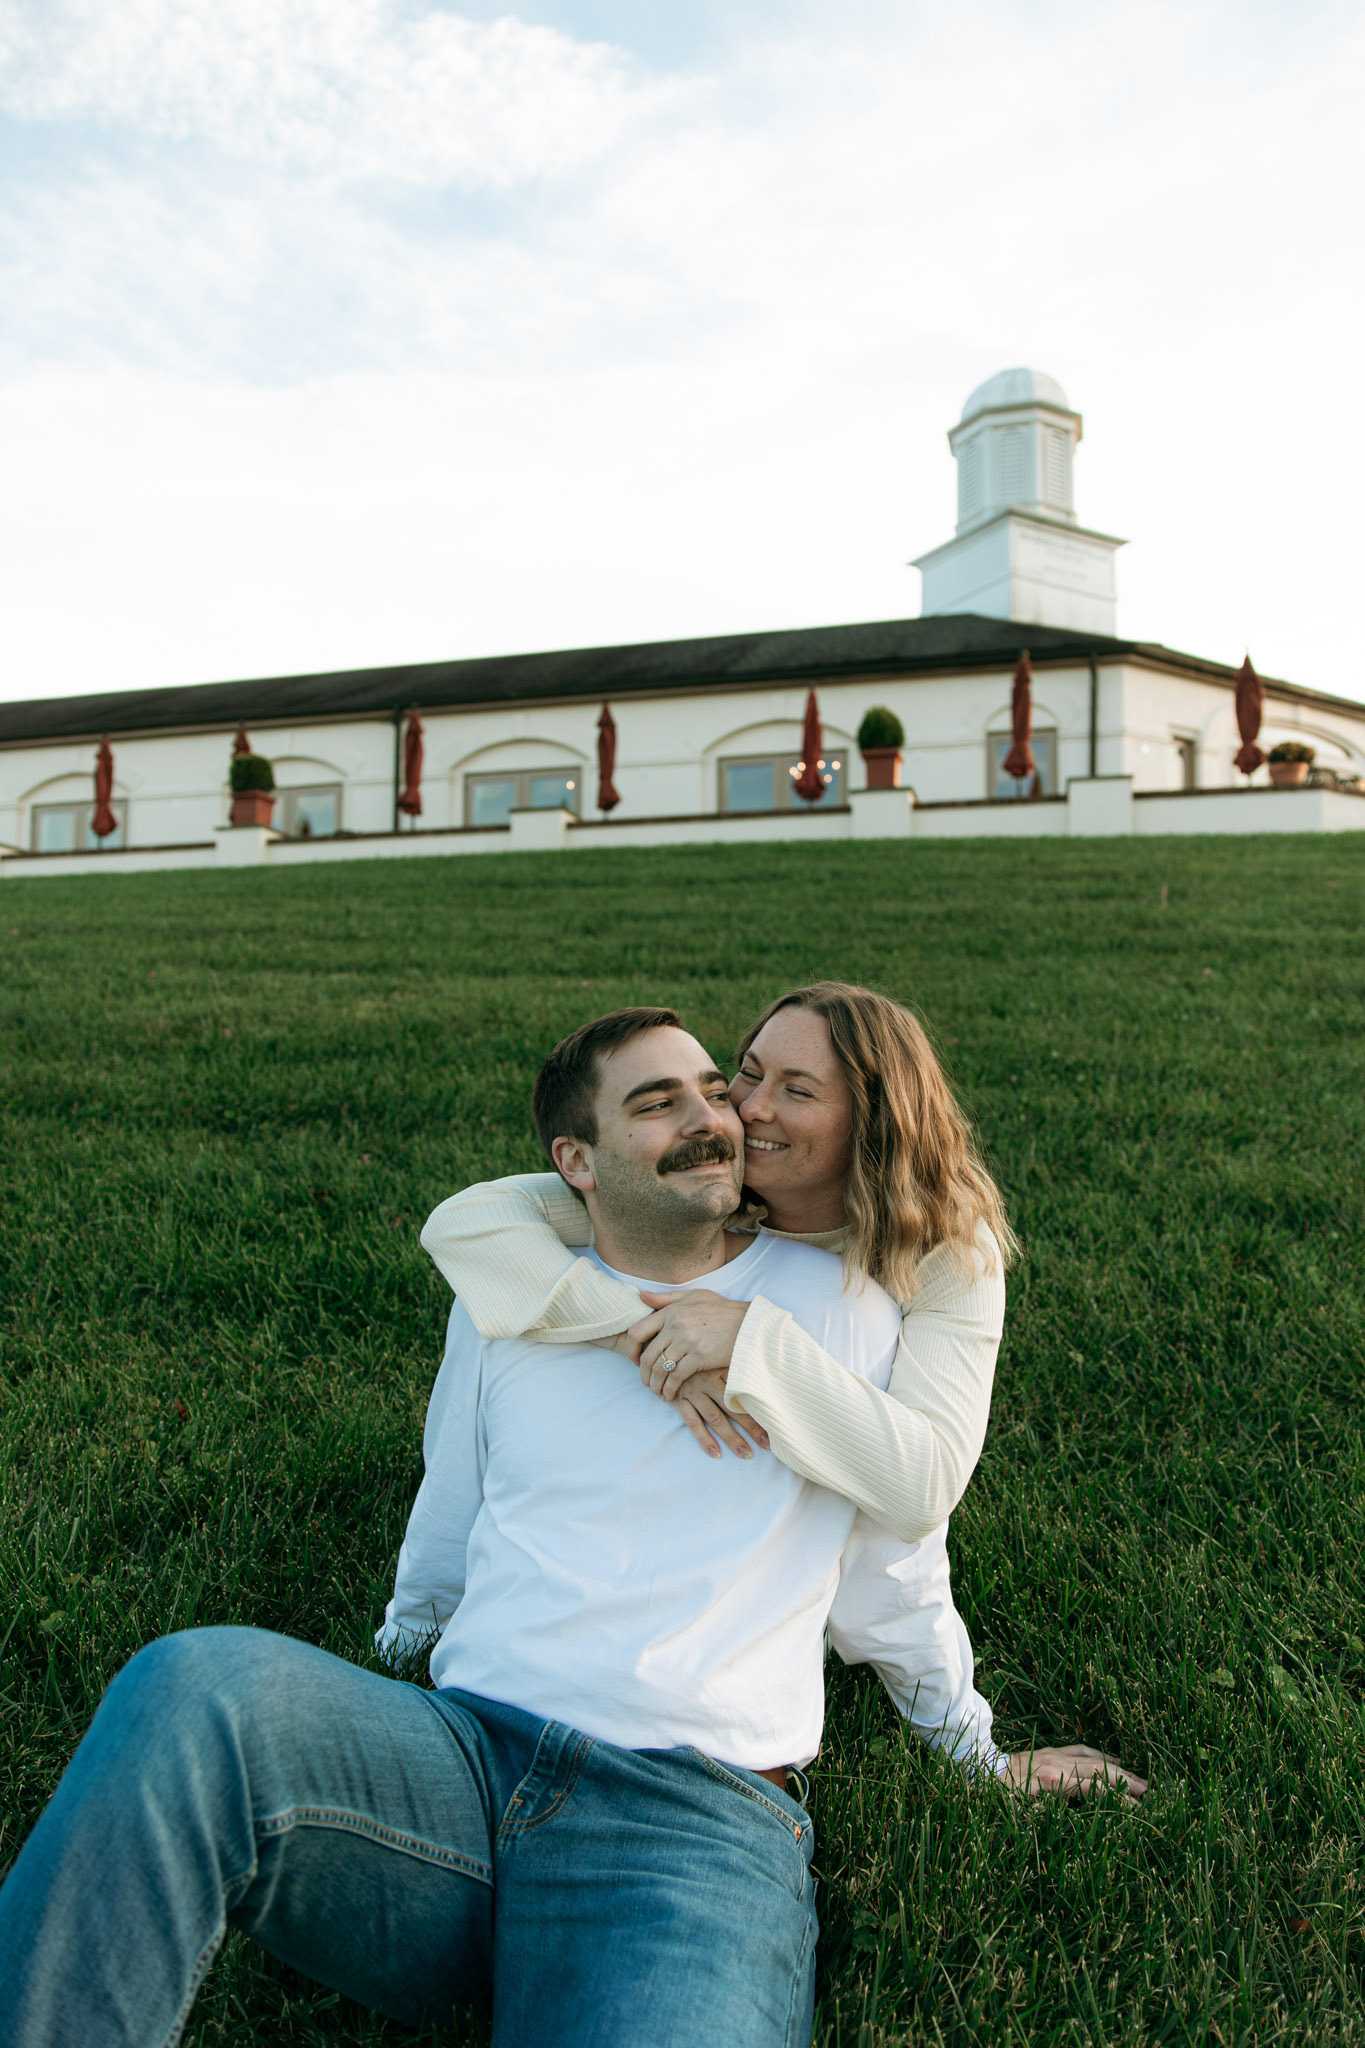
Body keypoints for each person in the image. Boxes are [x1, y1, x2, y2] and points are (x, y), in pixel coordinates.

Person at [0, 1006, 1078, 2048]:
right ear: (576, 1162)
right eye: (661, 1102)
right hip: (461, 1763)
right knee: (190, 1685)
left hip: (689, 1824)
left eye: (718, 1090)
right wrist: (401, 1651)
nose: (722, 1116)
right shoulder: (515, 1296)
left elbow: (896, 1555)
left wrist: (970, 1747)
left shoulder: (854, 1304)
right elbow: (451, 1499)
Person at [422, 980, 1145, 1799]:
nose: (746, 1109)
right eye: (748, 1071)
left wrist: (750, 1343)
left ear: (872, 1124)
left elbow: (913, 1493)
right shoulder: (702, 1184)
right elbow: (464, 1225)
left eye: (797, 1091)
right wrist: (638, 1329)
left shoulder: (940, 1253)